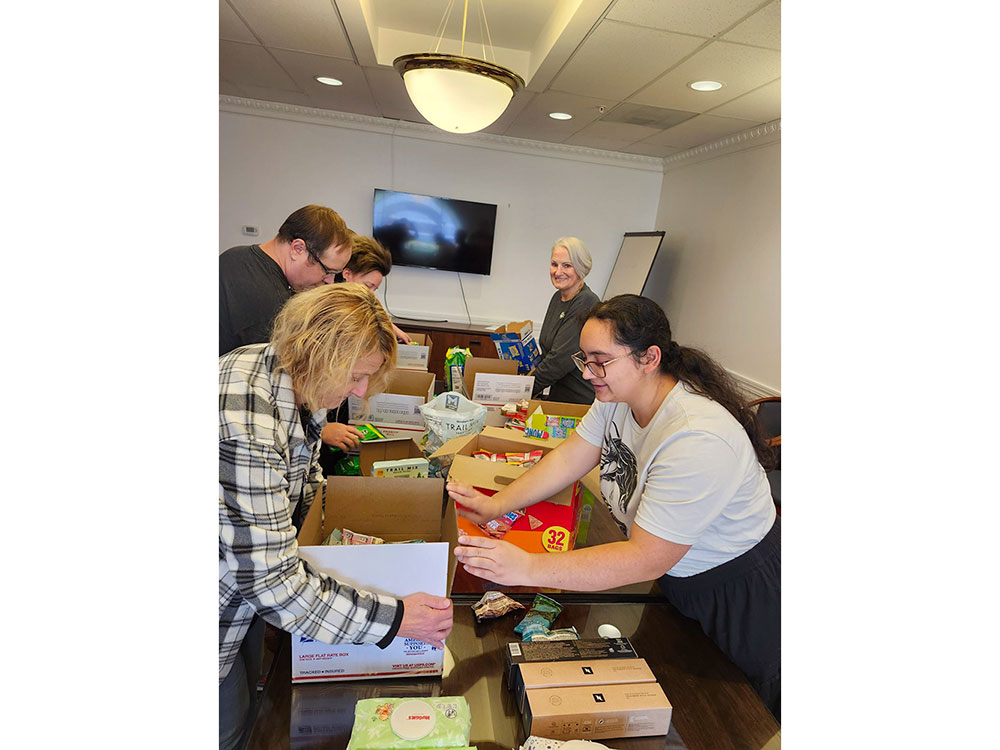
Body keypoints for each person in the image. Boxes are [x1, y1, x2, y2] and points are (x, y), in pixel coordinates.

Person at [448, 294, 780, 719]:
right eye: (583, 359)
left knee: (741, 714)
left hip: (742, 595)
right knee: (681, 701)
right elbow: (570, 458)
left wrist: (527, 568)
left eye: (599, 361)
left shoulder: (697, 437)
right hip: (681, 580)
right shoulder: (616, 399)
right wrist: (496, 507)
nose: (587, 373)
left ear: (649, 358)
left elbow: (645, 558)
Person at [220, 284, 454, 750]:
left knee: (248, 710)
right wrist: (397, 620)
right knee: (227, 728)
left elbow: (302, 485)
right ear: (318, 351)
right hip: (227, 604)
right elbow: (272, 585)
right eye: (356, 376)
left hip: (242, 599)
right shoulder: (246, 425)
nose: (360, 391)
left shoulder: (284, 369)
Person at [320, 236, 411, 467]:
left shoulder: (344, 305)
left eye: (375, 290)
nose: (371, 294)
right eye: (368, 286)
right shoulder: (323, 317)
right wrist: (321, 428)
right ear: (347, 273)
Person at [219, 205, 353, 356]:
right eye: (327, 271)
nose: (330, 281)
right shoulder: (274, 308)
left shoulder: (233, 255)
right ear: (298, 249)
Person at [531, 237, 601, 403]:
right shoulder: (558, 297)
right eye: (554, 264)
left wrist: (524, 389)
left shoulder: (586, 302)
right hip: (558, 397)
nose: (558, 272)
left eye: (567, 266)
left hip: (579, 402)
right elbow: (548, 352)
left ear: (580, 269)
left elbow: (560, 360)